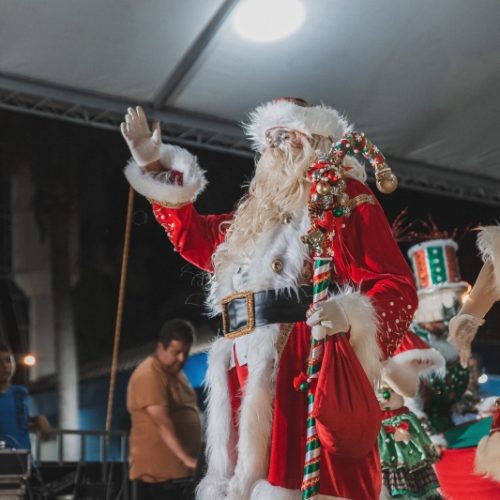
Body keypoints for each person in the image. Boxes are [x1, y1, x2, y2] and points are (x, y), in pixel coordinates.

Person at [121, 98, 418, 499]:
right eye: (270, 138)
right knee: (243, 479)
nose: (276, 146)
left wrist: (349, 315)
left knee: (293, 482)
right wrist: (154, 166)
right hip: (241, 362)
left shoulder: (341, 196)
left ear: (316, 141)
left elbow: (395, 284)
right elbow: (195, 237)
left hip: (299, 362)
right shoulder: (254, 217)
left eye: (288, 135)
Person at [126, 318, 201, 500]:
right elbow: (163, 423)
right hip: (158, 481)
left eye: (185, 352)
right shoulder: (149, 374)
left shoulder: (177, 374)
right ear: (161, 347)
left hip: (181, 475)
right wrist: (187, 460)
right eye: (176, 352)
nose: (182, 358)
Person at [377, 331, 444, 499]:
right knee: (387, 469)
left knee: (408, 466)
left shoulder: (401, 378)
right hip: (381, 427)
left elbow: (411, 397)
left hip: (399, 425)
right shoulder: (376, 374)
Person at [0, 343, 51, 450]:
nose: (5, 366)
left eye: (8, 360)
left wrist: (38, 421)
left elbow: (19, 425)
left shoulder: (19, 392)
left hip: (23, 459)